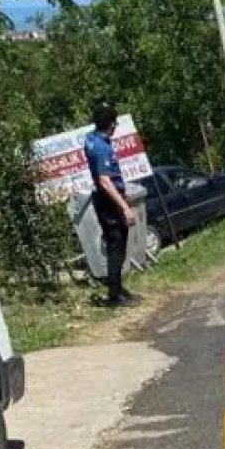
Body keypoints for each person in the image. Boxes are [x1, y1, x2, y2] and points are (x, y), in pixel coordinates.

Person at [84, 104, 139, 307]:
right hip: (108, 201)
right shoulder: (101, 148)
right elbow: (105, 181)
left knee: (119, 244)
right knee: (116, 245)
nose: (116, 126)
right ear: (110, 125)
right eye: (114, 122)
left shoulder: (92, 140)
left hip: (110, 197)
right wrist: (123, 207)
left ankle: (118, 288)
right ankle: (114, 296)